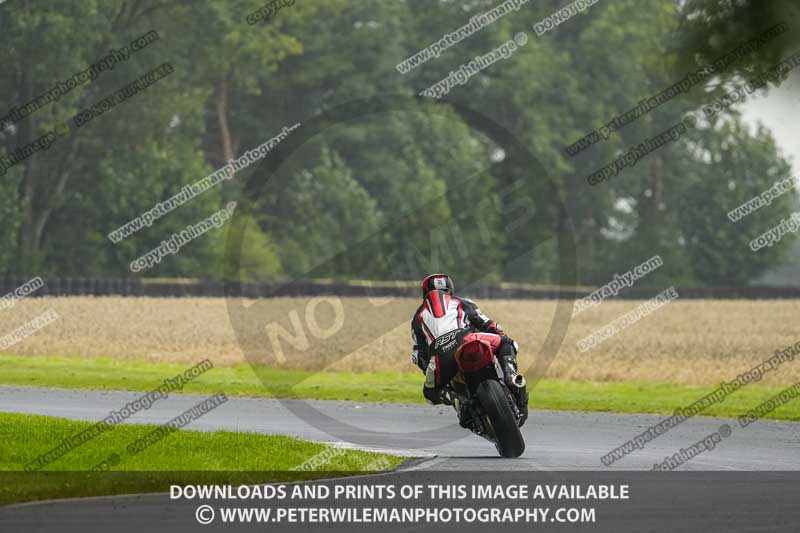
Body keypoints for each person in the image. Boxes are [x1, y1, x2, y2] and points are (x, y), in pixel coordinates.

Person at [410, 273, 528, 427]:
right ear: (450, 289)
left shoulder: (417, 317)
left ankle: (457, 401)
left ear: (424, 292)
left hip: (440, 356)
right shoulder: (462, 302)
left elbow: (419, 355)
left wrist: (430, 371)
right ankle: (511, 377)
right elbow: (490, 325)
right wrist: (500, 335)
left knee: (429, 393)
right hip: (468, 339)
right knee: (506, 343)